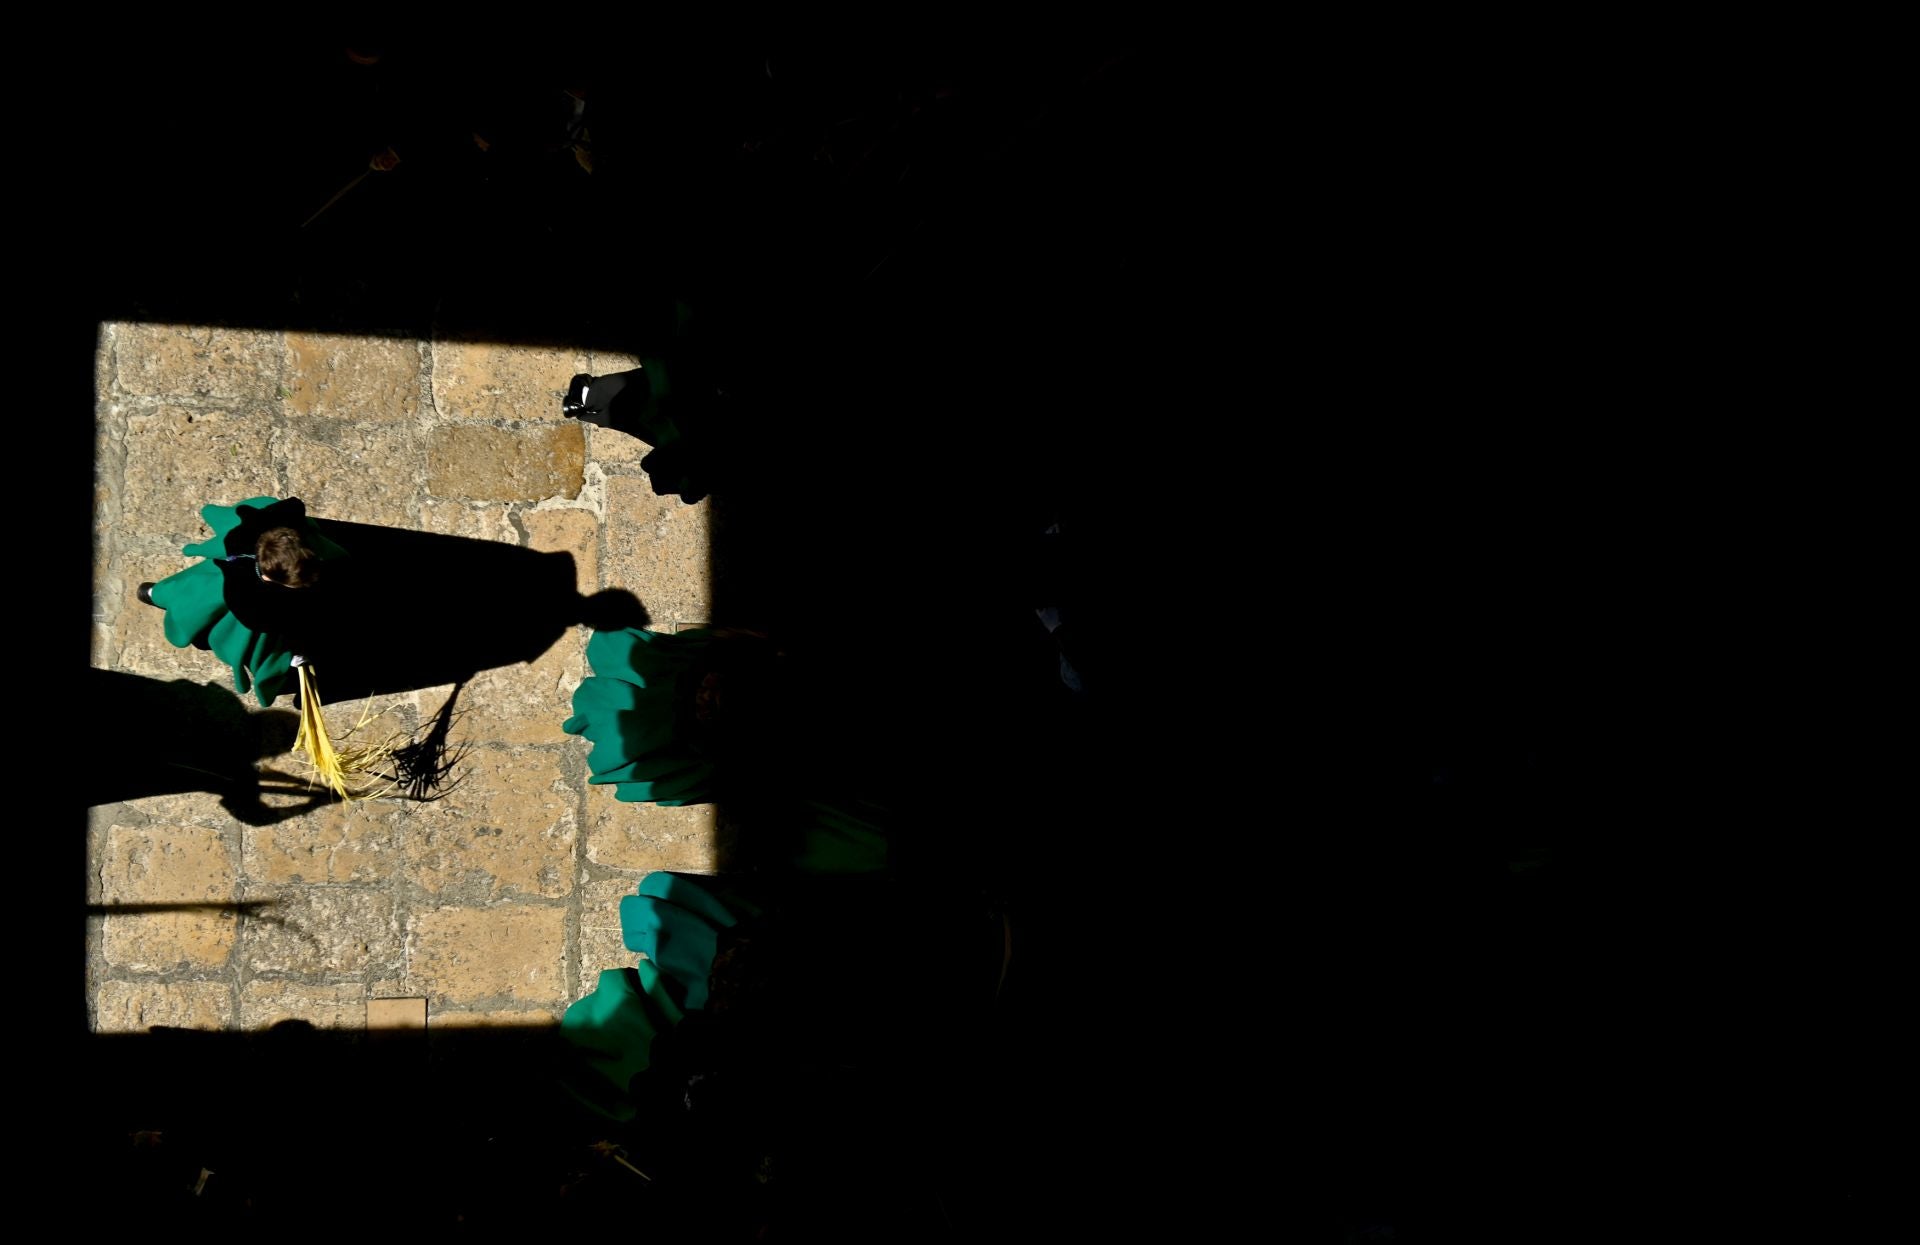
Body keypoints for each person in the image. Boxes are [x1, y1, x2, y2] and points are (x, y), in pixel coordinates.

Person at [136, 496, 348, 707]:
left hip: (252, 549)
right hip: (231, 585)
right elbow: (274, 627)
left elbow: (294, 505)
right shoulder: (246, 598)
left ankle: (160, 592)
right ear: (270, 578)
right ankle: (159, 594)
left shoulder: (278, 531)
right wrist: (291, 653)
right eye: (297, 584)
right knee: (196, 595)